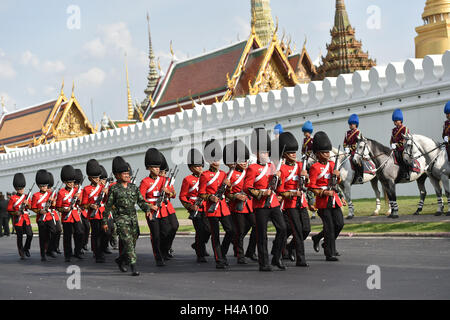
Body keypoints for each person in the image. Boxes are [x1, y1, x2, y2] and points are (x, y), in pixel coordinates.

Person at [244, 128, 287, 272]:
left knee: (282, 229)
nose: (266, 155)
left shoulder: (272, 166)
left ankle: (276, 256)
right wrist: (262, 193)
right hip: (260, 205)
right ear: (256, 153)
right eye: (263, 152)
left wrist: (279, 178)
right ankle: (264, 262)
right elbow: (247, 188)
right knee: (262, 235)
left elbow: (277, 185)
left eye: (267, 152)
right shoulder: (252, 168)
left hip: (273, 202)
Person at [103, 156, 151, 276]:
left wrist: (147, 209)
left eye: (127, 173)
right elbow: (108, 206)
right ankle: (133, 266)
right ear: (117, 175)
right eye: (124, 173)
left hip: (133, 218)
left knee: (133, 240)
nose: (127, 175)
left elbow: (141, 201)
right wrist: (104, 222)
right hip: (121, 219)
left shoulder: (133, 187)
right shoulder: (114, 189)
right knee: (128, 242)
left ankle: (120, 260)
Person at [199, 139, 235, 269]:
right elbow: (201, 193)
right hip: (212, 208)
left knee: (231, 231)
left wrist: (229, 186)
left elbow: (228, 191)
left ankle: (223, 253)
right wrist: (210, 197)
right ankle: (219, 259)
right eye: (214, 159)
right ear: (209, 161)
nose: (217, 162)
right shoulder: (205, 175)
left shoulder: (224, 174)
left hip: (223, 207)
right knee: (215, 235)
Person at [309, 132, 344, 262]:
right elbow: (312, 186)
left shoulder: (331, 165)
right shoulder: (314, 167)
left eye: (328, 152)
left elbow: (336, 182)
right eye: (324, 152)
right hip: (323, 201)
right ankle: (330, 252)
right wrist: (323, 193)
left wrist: (338, 175)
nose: (327, 155)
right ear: (318, 153)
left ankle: (319, 239)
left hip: (334, 199)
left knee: (339, 224)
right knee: (329, 227)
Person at [277, 132, 310, 267]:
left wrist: (305, 176)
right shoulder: (282, 169)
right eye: (290, 153)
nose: (293, 154)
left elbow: (306, 185)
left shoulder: (300, 165)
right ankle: (301, 259)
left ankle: (290, 247)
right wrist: (291, 194)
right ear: (284, 154)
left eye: (294, 152)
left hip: (301, 201)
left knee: (306, 229)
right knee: (296, 230)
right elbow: (279, 190)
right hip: (290, 203)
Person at [225, 139, 257, 264]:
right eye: (241, 160)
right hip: (237, 206)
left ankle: (251, 251)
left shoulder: (250, 172)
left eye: (245, 160)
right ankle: (240, 254)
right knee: (240, 231)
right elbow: (226, 193)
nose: (244, 163)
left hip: (250, 204)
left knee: (256, 227)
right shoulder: (230, 175)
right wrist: (235, 196)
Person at [139, 148, 170, 267]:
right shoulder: (145, 182)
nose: (157, 169)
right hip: (152, 212)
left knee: (166, 232)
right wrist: (150, 206)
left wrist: (168, 191)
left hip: (162, 210)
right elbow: (141, 199)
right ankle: (158, 257)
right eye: (154, 167)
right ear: (148, 168)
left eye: (158, 167)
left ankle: (164, 251)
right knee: (155, 235)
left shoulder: (164, 180)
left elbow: (173, 194)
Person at [179, 148, 211, 263]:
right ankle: (200, 254)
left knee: (209, 229)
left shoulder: (208, 177)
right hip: (195, 209)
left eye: (201, 166)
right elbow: (182, 196)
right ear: (191, 168)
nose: (200, 168)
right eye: (197, 166)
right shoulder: (188, 180)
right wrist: (190, 206)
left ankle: (198, 245)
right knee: (200, 231)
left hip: (206, 207)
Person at [56, 165, 84, 263]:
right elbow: (58, 207)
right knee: (67, 236)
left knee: (80, 233)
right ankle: (67, 255)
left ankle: (78, 251)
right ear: (65, 182)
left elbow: (81, 204)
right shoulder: (61, 192)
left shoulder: (77, 191)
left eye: (72, 182)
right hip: (66, 217)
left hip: (75, 215)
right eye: (69, 182)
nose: (71, 184)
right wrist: (65, 209)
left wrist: (79, 199)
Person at [81, 159, 106, 263]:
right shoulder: (86, 189)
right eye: (94, 177)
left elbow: (107, 201)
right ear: (90, 178)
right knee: (96, 234)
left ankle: (102, 250)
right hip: (93, 215)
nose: (97, 179)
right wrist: (91, 205)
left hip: (102, 213)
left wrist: (107, 193)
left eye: (98, 177)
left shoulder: (103, 188)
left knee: (105, 233)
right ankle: (97, 253)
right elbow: (84, 204)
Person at [30, 170, 56, 261]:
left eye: (45, 185)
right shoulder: (35, 195)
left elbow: (54, 206)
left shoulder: (50, 194)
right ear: (39, 186)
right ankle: (43, 254)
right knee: (43, 237)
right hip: (41, 218)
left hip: (49, 217)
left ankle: (49, 249)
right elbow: (33, 208)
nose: (44, 187)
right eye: (42, 186)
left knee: (54, 232)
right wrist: (39, 211)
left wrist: (53, 201)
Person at [7, 173, 33, 260]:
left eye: (22, 188)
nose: (21, 190)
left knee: (30, 234)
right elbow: (10, 209)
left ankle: (26, 248)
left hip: (26, 218)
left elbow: (30, 207)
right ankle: (21, 251)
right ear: (16, 188)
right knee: (20, 236)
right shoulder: (13, 198)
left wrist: (27, 203)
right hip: (18, 220)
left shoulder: (26, 197)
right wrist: (16, 213)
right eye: (19, 188)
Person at [159, 152, 179, 260]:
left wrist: (168, 192)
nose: (164, 174)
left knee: (175, 226)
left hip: (168, 208)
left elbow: (174, 194)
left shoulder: (168, 181)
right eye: (162, 172)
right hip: (159, 208)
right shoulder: (155, 181)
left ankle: (167, 247)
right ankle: (163, 250)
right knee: (165, 231)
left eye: (165, 172)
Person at [390, 109, 411, 181]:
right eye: (394, 121)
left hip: (403, 148)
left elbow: (405, 140)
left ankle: (406, 173)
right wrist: (392, 145)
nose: (395, 122)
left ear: (400, 120)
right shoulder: (393, 130)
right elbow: (392, 139)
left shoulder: (405, 129)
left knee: (402, 157)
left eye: (396, 120)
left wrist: (396, 145)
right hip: (395, 149)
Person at [344, 114, 363, 184]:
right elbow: (344, 142)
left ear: (356, 124)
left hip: (356, 152)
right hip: (347, 152)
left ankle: (360, 176)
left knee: (357, 162)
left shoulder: (358, 133)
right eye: (350, 124)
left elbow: (358, 143)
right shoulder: (347, 133)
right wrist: (346, 148)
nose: (351, 125)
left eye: (352, 124)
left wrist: (351, 149)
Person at [75, 169, 90, 254]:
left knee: (87, 227)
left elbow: (85, 201)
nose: (77, 185)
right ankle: (79, 247)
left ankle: (84, 243)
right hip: (75, 212)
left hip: (83, 211)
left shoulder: (82, 189)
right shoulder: (73, 190)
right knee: (79, 230)